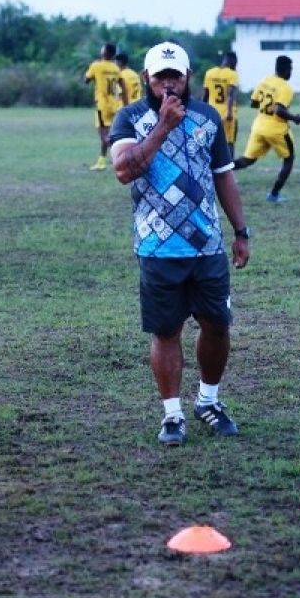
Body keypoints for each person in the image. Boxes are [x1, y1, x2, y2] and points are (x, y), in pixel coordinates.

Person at [109, 42, 250, 446]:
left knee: (218, 325)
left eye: (176, 76)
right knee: (166, 331)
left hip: (207, 246)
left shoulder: (208, 117)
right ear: (146, 79)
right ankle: (172, 415)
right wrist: (163, 127)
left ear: (189, 77)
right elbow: (123, 171)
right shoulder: (130, 118)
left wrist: (241, 231)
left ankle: (209, 400)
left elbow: (224, 176)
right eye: (160, 77)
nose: (168, 84)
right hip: (157, 248)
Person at [234, 55, 300, 203]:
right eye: (291, 69)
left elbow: (253, 103)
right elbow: (279, 110)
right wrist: (295, 118)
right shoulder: (285, 87)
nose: (291, 72)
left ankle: (218, 169)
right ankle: (274, 195)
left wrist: (266, 105)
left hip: (259, 126)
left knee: (247, 160)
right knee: (289, 159)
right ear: (286, 70)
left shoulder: (265, 80)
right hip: (276, 129)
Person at [85, 43, 124, 171]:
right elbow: (121, 84)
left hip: (102, 105)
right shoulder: (116, 68)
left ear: (104, 52)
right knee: (109, 133)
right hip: (114, 105)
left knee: (104, 136)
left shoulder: (96, 65)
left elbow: (86, 80)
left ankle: (122, 156)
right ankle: (102, 161)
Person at [201, 52, 240, 157]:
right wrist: (230, 112)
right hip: (227, 114)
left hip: (212, 112)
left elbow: (205, 95)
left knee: (210, 141)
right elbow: (231, 95)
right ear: (234, 62)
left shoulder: (209, 73)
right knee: (229, 143)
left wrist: (202, 112)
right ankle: (229, 169)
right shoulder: (232, 74)